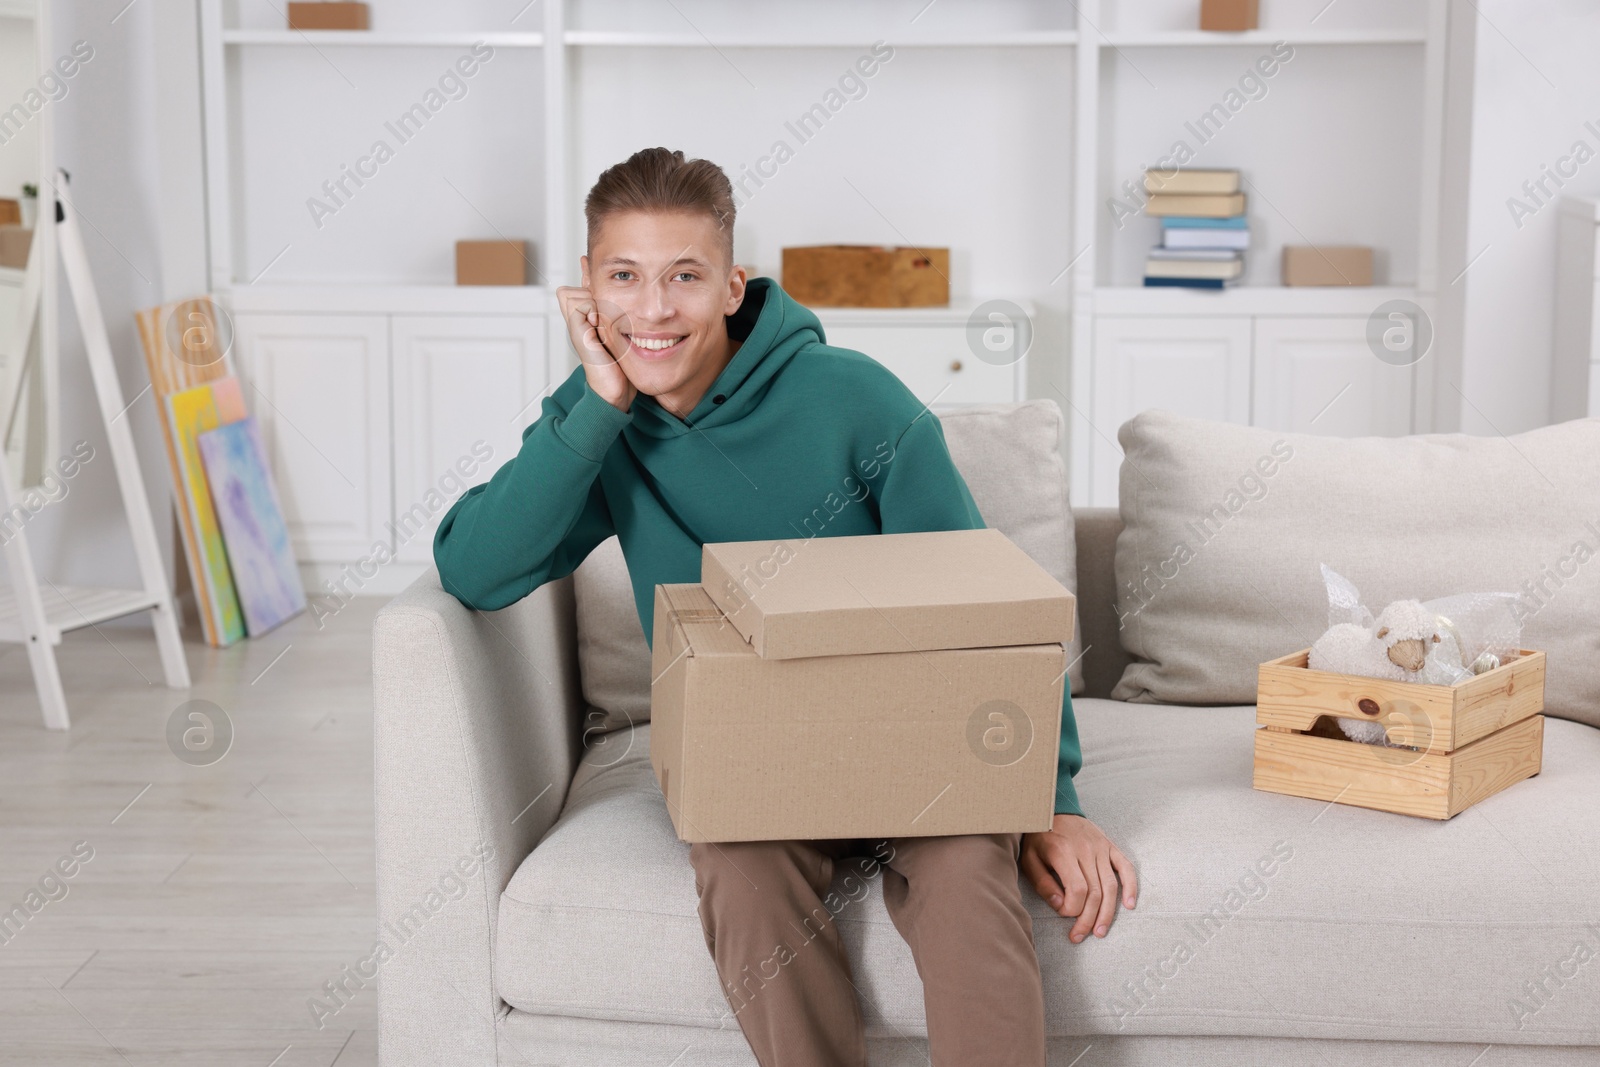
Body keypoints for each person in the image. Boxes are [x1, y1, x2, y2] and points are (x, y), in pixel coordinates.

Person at [433, 146, 1137, 1067]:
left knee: (969, 869)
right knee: (739, 868)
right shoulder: (599, 422)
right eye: (624, 277)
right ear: (587, 291)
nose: (652, 309)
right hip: (749, 755)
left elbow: (984, 607)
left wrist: (1055, 799)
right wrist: (599, 403)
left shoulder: (857, 400)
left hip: (915, 738)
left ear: (733, 286)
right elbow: (475, 569)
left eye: (684, 276)